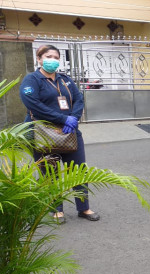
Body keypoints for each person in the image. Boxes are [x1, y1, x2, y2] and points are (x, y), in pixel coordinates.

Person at [20, 45, 100, 224]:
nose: (53, 60)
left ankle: (83, 208)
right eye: (48, 56)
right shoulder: (32, 80)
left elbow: (78, 98)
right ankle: (56, 210)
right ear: (39, 59)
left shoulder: (65, 80)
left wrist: (74, 118)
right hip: (43, 132)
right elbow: (33, 104)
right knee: (50, 172)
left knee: (78, 171)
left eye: (56, 57)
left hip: (70, 132)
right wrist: (62, 118)